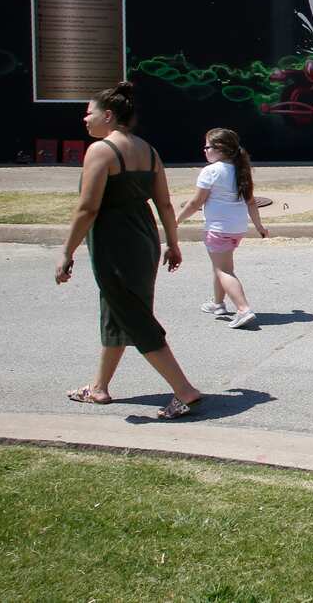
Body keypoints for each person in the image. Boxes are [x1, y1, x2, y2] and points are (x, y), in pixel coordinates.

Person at [54, 81, 203, 419]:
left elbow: (87, 209)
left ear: (108, 115)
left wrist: (66, 252)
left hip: (115, 246)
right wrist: (173, 243)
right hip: (144, 241)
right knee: (116, 312)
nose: (84, 119)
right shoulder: (148, 150)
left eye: (88, 113)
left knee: (134, 316)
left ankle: (185, 391)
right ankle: (99, 388)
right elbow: (164, 203)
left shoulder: (101, 151)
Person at [175, 128, 268, 329]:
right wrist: (259, 226)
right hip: (237, 229)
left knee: (223, 270)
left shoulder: (211, 171)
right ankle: (217, 304)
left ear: (220, 149)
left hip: (218, 229)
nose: (205, 150)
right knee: (222, 267)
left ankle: (243, 310)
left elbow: (195, 203)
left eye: (207, 146)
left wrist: (175, 221)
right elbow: (251, 202)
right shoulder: (241, 169)